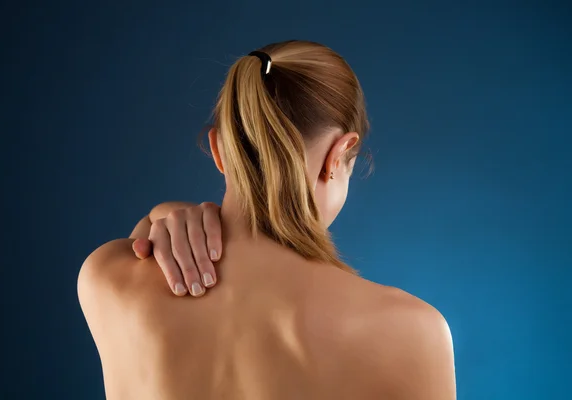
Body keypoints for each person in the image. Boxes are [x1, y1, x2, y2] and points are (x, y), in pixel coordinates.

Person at [78, 40, 456, 399]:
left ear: (218, 150)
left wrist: (162, 211)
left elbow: (138, 244)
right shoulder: (410, 330)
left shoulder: (106, 277)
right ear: (337, 156)